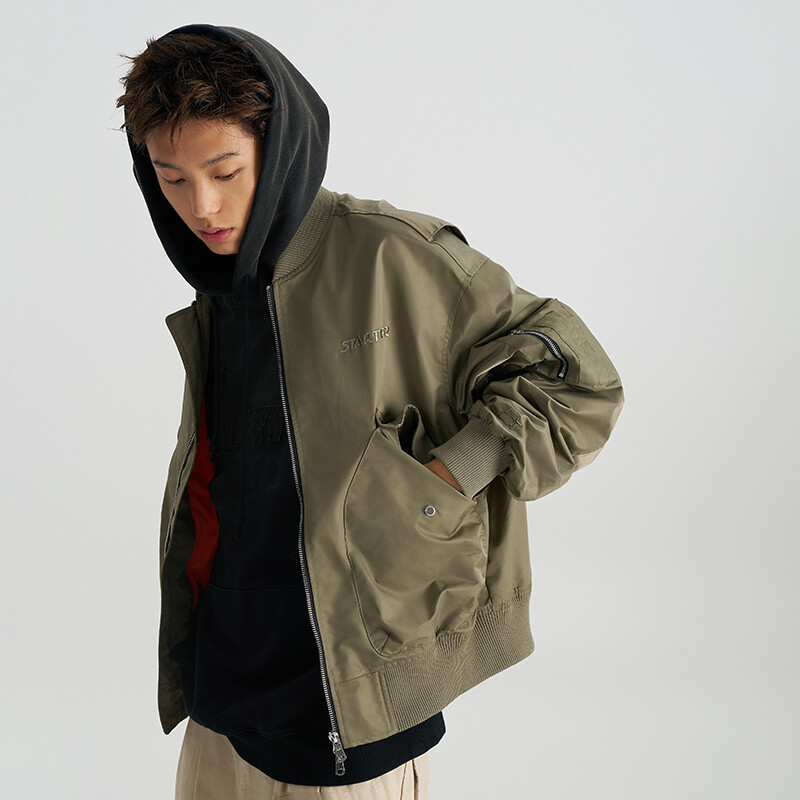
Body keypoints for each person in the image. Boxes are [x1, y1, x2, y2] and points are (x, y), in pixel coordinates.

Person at [117, 23, 624, 799]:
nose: (202, 206)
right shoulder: (221, 290)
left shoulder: (393, 254)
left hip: (351, 720)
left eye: (225, 170)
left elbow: (576, 379)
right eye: (172, 179)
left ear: (278, 148)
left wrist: (447, 478)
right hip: (220, 709)